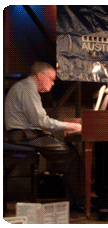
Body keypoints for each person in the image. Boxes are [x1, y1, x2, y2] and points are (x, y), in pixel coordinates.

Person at [5, 61, 83, 208]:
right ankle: (80, 201)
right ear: (40, 76)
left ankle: (75, 200)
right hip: (25, 137)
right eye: (51, 79)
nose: (53, 84)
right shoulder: (28, 89)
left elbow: (37, 122)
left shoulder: (24, 87)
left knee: (67, 150)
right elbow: (41, 121)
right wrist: (72, 125)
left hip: (24, 135)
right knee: (71, 155)